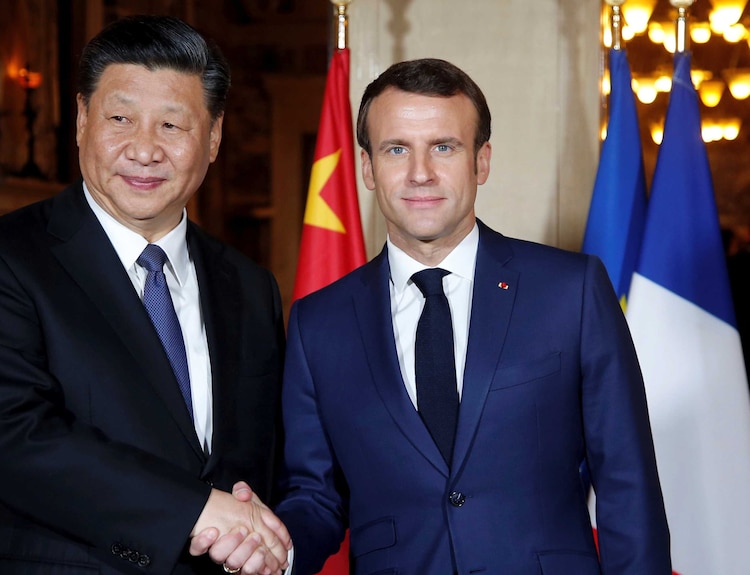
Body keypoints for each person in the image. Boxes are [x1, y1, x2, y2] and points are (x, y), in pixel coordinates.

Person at [271, 58, 671, 574]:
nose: (420, 173)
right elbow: (314, 496)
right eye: (397, 149)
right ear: (367, 168)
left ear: (481, 162)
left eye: (444, 147)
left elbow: (626, 481)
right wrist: (273, 551)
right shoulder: (316, 324)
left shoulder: (570, 290)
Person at [0, 15, 290, 575]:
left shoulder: (250, 287)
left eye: (173, 126)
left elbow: (269, 457)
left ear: (215, 136)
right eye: (120, 118)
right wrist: (195, 511)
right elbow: (14, 436)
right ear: (81, 120)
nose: (145, 150)